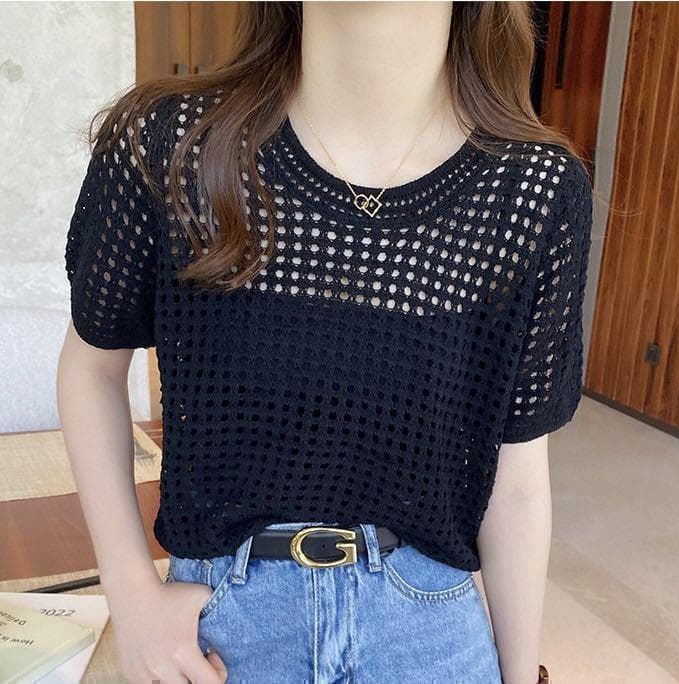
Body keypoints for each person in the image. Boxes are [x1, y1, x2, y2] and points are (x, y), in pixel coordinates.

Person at [57, 2, 592, 683]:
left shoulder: (534, 190)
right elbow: (92, 371)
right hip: (220, 629)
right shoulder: (171, 144)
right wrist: (130, 597)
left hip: (429, 636)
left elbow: (515, 477)